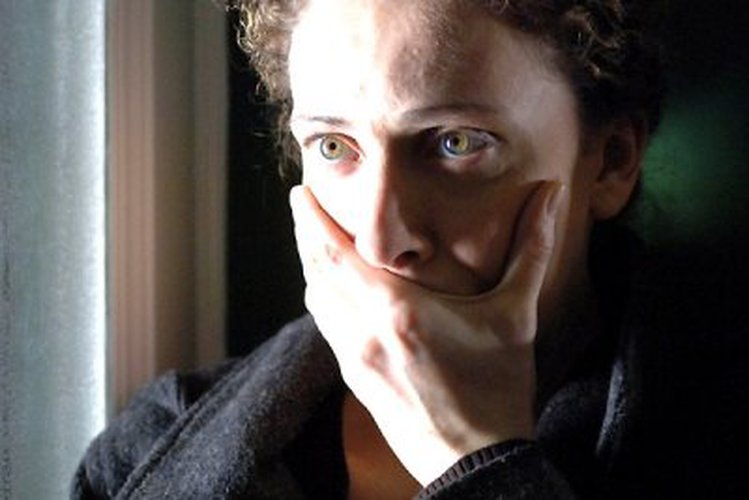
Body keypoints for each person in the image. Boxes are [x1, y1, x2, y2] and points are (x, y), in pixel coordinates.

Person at [72, 0, 747, 498]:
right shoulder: (155, 444)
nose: (381, 237)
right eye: (333, 147)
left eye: (457, 143)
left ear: (611, 161)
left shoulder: (720, 434)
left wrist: (475, 459)